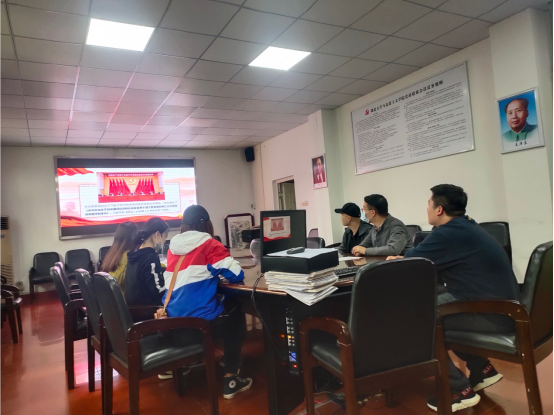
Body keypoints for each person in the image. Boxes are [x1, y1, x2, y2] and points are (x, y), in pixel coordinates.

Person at [387, 184, 520, 413]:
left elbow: (410, 262)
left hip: (492, 315)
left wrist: (399, 260)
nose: (427, 208)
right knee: (430, 300)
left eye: (429, 204)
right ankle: (482, 369)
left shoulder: (448, 233)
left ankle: (458, 389)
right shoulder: (466, 225)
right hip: (503, 308)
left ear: (439, 209)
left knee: (411, 318)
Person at [164, 205, 253, 400]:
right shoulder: (209, 244)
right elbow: (236, 274)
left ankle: (221, 362)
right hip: (198, 327)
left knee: (223, 308)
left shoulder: (172, 248)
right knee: (236, 312)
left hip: (174, 325)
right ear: (206, 224)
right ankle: (231, 377)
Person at [124, 217, 169, 307]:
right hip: (148, 309)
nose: (164, 241)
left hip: (134, 308)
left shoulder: (135, 254)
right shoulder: (150, 258)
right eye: (165, 236)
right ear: (157, 234)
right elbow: (158, 291)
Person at [101, 221, 139, 293]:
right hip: (125, 298)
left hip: (112, 298)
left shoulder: (113, 255)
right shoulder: (129, 257)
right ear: (134, 237)